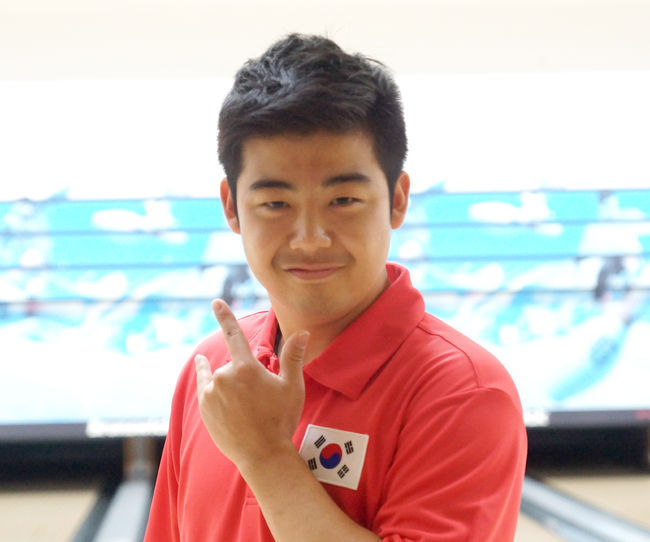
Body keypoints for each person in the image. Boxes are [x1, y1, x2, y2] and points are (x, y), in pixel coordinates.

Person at [144, 33, 527, 542]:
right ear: (232, 207)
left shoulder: (462, 393)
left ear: (397, 199)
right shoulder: (213, 372)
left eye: (343, 200)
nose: (310, 239)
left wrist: (266, 457)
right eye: (275, 204)